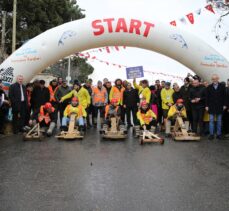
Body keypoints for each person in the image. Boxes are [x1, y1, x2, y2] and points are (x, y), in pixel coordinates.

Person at [206, 74, 227, 140]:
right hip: (211, 106)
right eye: (213, 79)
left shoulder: (222, 86)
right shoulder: (209, 87)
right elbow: (207, 97)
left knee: (219, 121)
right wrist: (206, 106)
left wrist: (225, 105)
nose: (214, 80)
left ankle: (219, 134)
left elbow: (225, 97)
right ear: (212, 80)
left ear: (218, 79)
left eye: (215, 79)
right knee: (211, 121)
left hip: (220, 106)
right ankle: (211, 134)